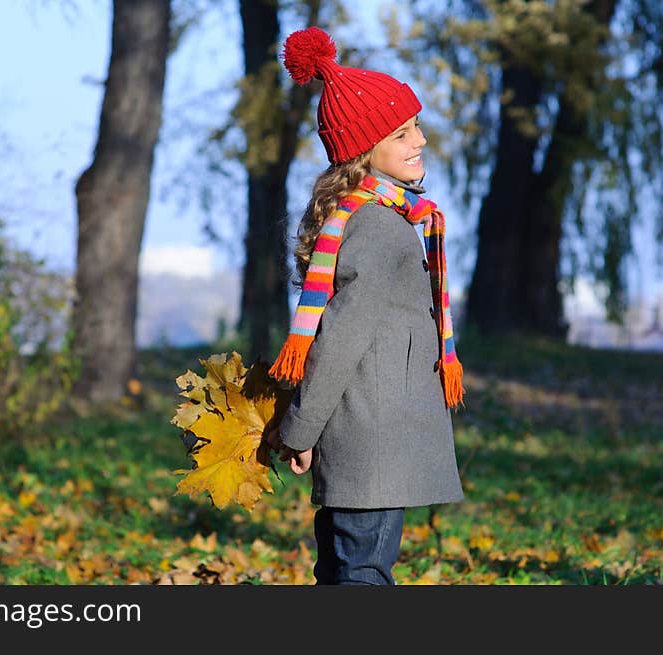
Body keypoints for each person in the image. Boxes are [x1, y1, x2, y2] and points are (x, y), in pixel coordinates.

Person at [264, 27, 466, 586]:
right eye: (402, 133)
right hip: (371, 441)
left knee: (343, 570)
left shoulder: (373, 218)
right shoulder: (378, 227)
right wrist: (300, 429)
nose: (420, 140)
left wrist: (304, 429)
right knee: (361, 574)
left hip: (363, 438)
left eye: (416, 126)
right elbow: (341, 338)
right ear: (363, 150)